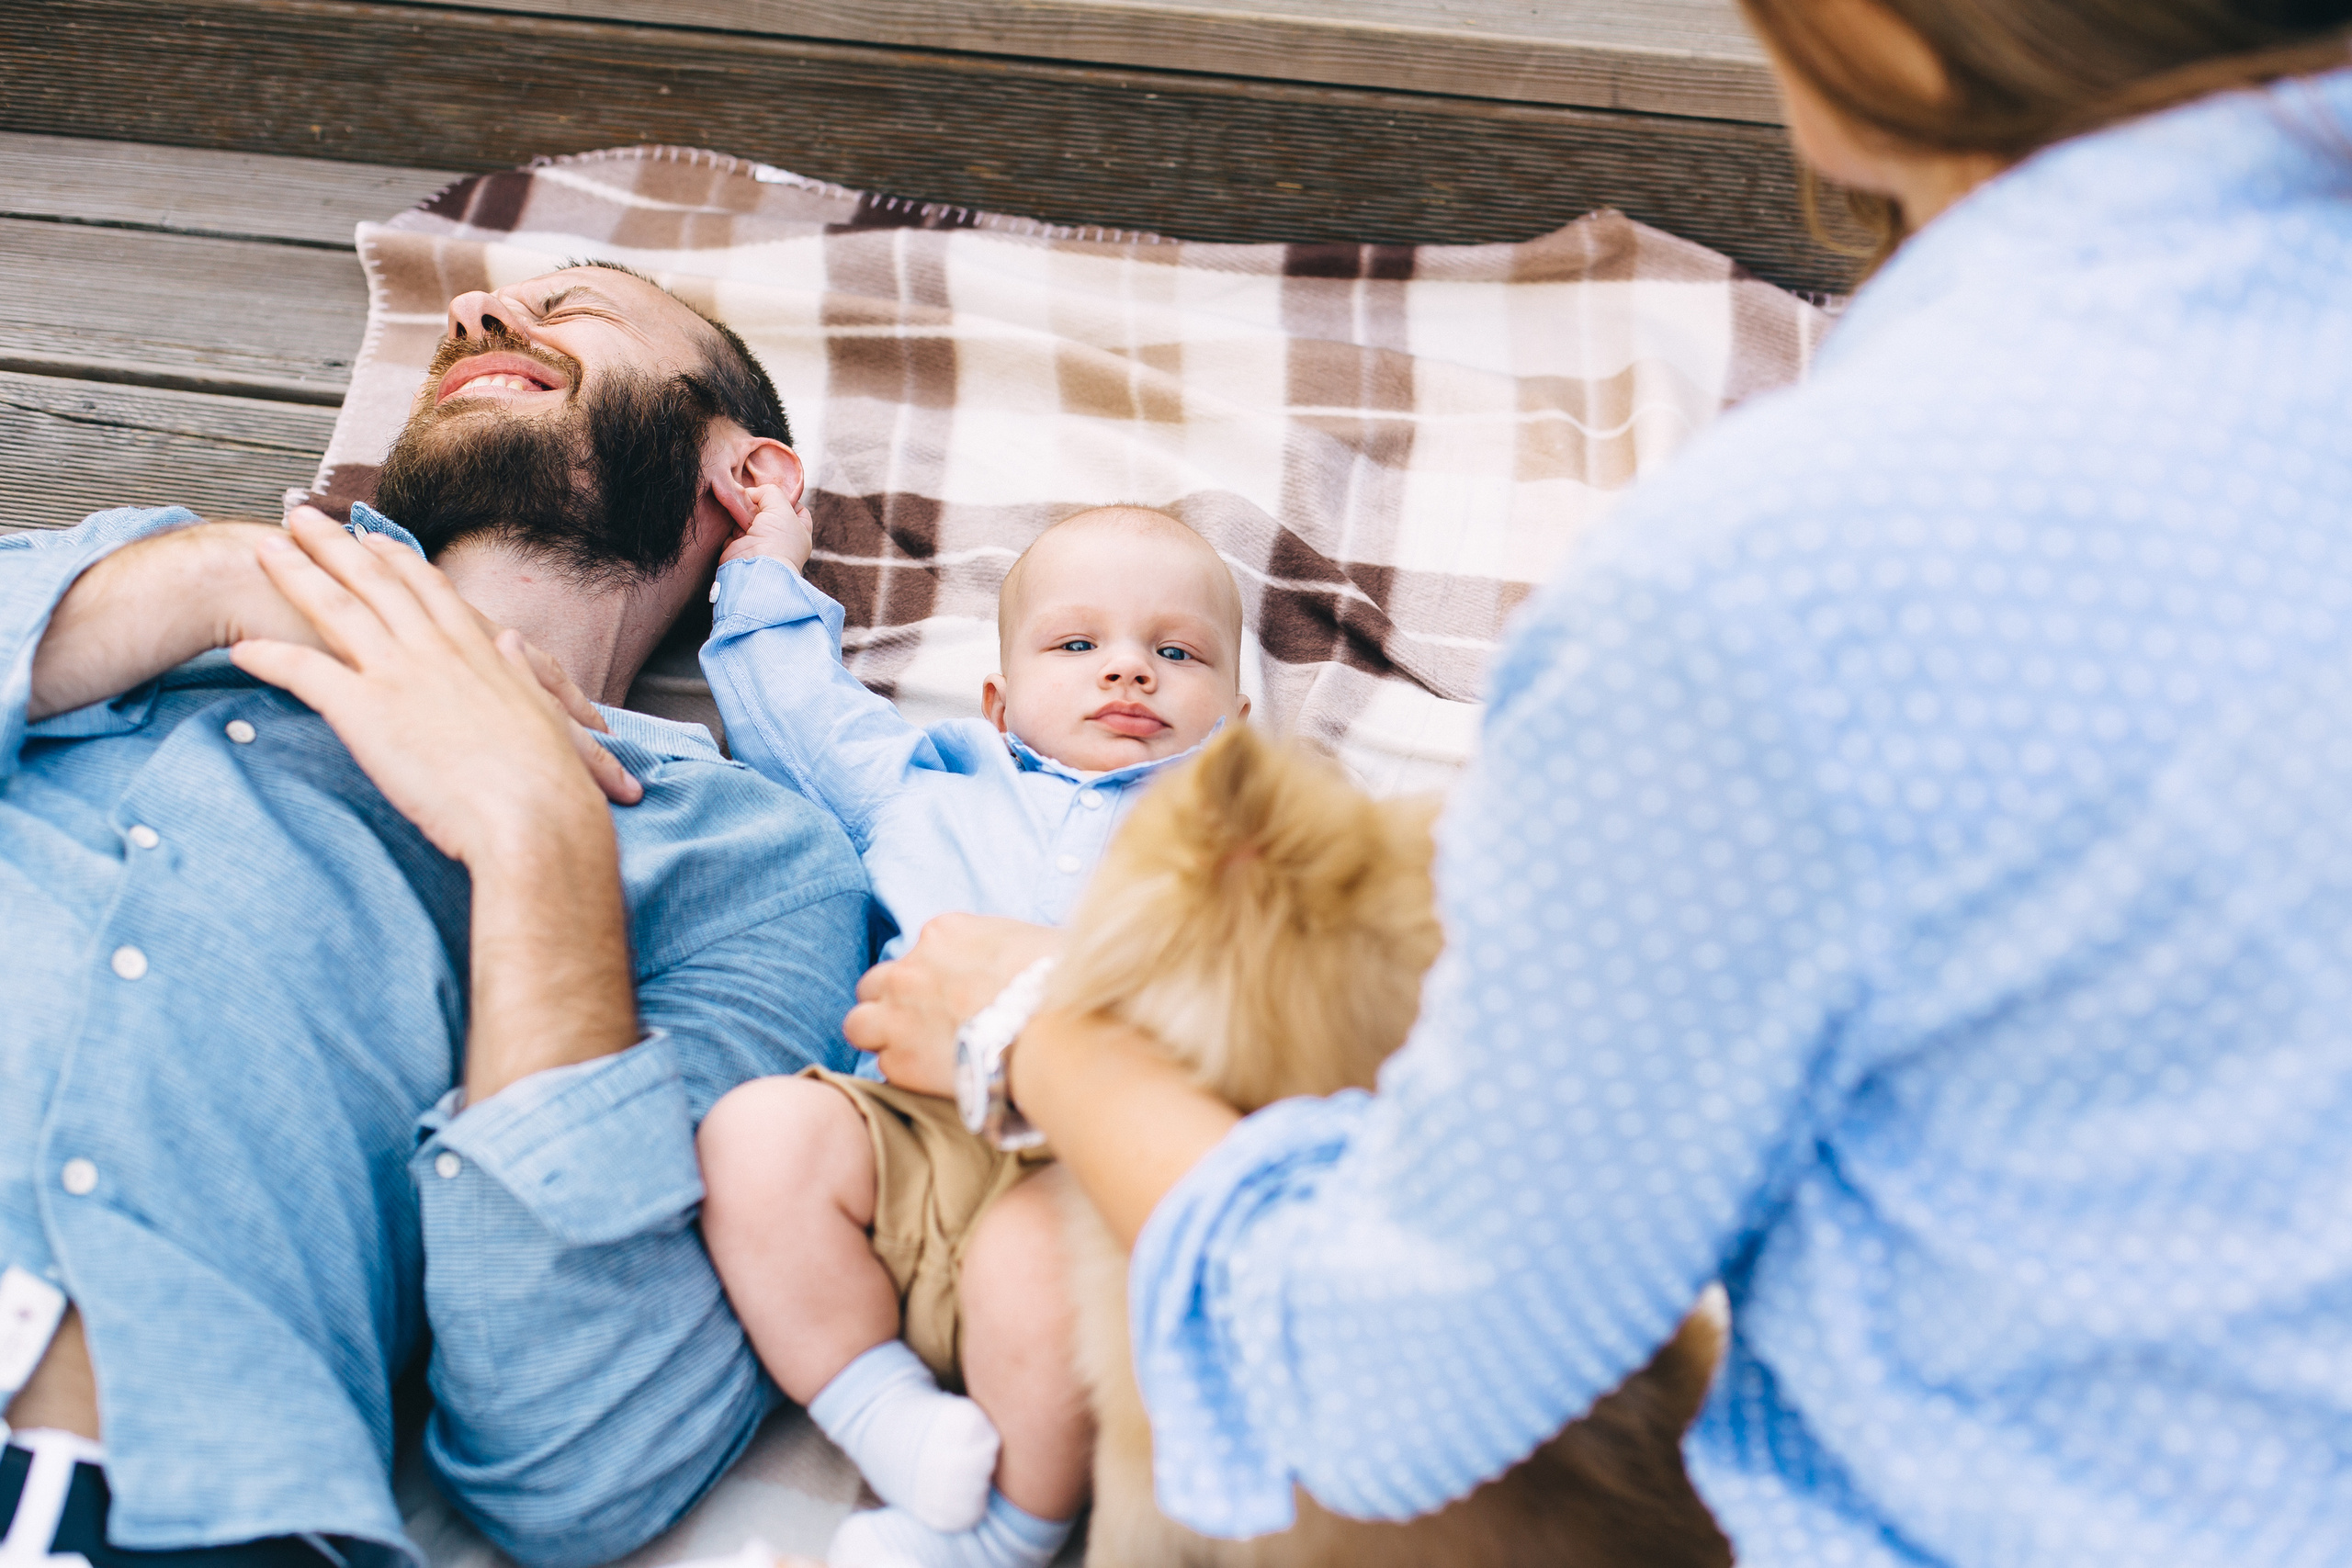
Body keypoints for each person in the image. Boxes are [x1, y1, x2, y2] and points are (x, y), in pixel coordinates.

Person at [842, 4, 2352, 1565]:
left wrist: (1046, 1035)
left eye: (1171, 649)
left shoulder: (1768, 582)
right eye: (1079, 645)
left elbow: (1399, 1382)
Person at [0, 264, 871, 1568]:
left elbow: (584, 1459)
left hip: (136, 1498)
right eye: (471, 314)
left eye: (575, 308)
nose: (474, 316)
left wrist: (540, 841)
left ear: (746, 479)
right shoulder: (127, 565)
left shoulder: (753, 862)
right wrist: (220, 581)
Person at [693, 502, 1251, 1568]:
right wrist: (762, 565)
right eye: (1076, 644)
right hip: (903, 1140)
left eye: (1177, 653)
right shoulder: (925, 783)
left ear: (1235, 717)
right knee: (755, 1136)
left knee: (1035, 1261)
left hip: (1087, 1165)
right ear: (998, 702)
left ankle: (1007, 1529)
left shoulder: (1241, 837)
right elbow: (789, 706)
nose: (1128, 670)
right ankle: (882, 1415)